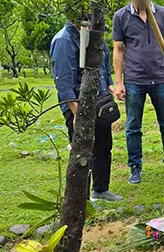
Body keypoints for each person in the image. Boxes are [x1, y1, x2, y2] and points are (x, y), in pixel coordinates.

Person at [112, 0, 164, 184]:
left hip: (160, 78)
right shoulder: (121, 17)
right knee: (133, 125)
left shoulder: (162, 14)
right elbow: (118, 49)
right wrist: (118, 82)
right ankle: (135, 166)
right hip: (134, 79)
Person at [50, 17, 123, 202]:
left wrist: (110, 86)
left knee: (104, 146)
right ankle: (81, 198)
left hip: (99, 101)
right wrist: (77, 112)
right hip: (76, 104)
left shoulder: (94, 34)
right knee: (82, 153)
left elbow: (104, 65)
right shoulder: (64, 41)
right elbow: (64, 83)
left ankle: (101, 189)